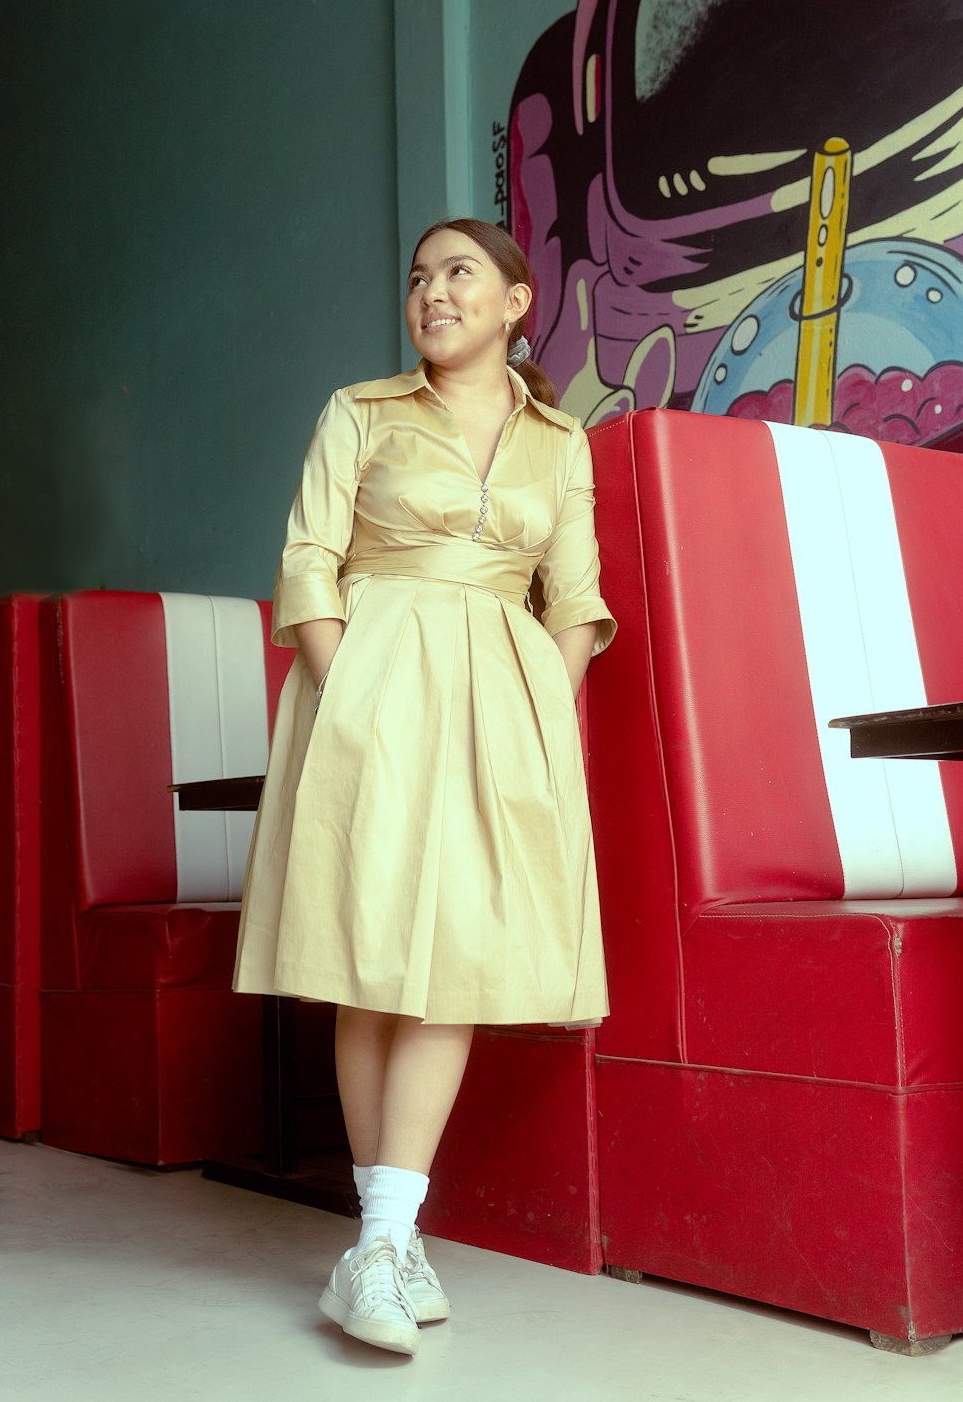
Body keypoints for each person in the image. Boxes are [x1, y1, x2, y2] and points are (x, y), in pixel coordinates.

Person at [232, 218, 617, 1357]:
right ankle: (388, 1240)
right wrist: (344, 693)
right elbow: (309, 558)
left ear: (514, 302)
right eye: (417, 279)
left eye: (458, 275)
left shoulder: (561, 439)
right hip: (372, 683)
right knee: (373, 959)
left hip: (502, 699)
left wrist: (543, 714)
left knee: (451, 955)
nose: (431, 293)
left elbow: (577, 599)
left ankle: (382, 1243)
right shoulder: (360, 411)